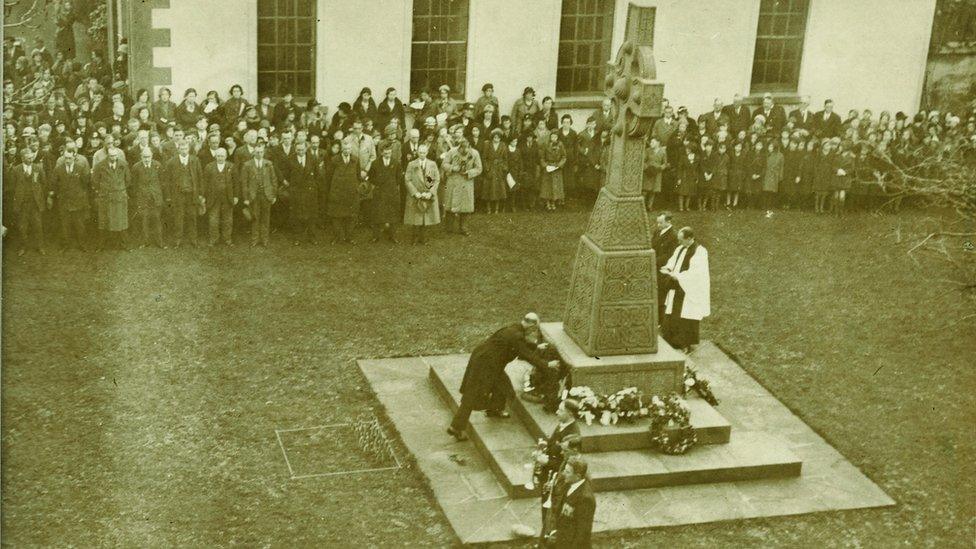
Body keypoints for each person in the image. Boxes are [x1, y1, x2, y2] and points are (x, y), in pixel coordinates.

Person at [447, 313, 558, 441]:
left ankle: (494, 409)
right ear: (532, 325)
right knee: (471, 396)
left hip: (486, 361)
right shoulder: (517, 335)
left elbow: (519, 345)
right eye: (535, 328)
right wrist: (548, 364)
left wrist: (536, 346)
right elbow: (526, 354)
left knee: (503, 386)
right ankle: (456, 427)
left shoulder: (513, 328)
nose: (534, 331)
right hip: (486, 365)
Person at [660, 227, 711, 353]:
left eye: (681, 240)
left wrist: (677, 276)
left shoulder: (700, 252)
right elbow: (673, 261)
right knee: (672, 314)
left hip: (688, 289)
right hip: (677, 286)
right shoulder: (680, 248)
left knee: (686, 316)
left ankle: (685, 344)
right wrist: (667, 268)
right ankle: (672, 341)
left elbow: (696, 272)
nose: (679, 242)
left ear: (689, 238)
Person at [548, 456, 596, 548]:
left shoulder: (585, 498)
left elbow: (582, 532)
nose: (563, 474)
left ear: (577, 476)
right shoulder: (569, 484)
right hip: (562, 539)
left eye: (567, 472)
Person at [163, 140, 203, 247]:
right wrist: (168, 196)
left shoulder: (195, 160)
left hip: (191, 194)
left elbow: (200, 178)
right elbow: (167, 180)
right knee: (178, 217)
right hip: (178, 195)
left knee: (192, 217)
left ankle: (193, 240)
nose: (184, 151)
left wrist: (200, 194)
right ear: (178, 149)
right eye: (182, 149)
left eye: (185, 148)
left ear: (188, 149)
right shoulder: (171, 162)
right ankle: (178, 240)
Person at [52, 142, 90, 250]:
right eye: (65, 158)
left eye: (69, 158)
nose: (67, 160)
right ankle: (65, 245)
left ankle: (82, 245)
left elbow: (85, 183)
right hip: (64, 201)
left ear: (74, 156)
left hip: (78, 201)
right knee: (65, 225)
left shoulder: (80, 168)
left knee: (80, 225)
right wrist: (60, 194)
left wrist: (78, 194)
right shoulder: (58, 169)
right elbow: (54, 183)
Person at [11, 148, 49, 255]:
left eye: (31, 157)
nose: (30, 159)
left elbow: (44, 183)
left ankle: (40, 247)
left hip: (35, 203)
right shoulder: (16, 170)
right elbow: (13, 187)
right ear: (22, 158)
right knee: (22, 226)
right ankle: (23, 247)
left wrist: (40, 198)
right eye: (28, 158)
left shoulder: (38, 168)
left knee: (38, 225)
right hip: (22, 204)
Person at [442, 137, 481, 235]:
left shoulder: (475, 154)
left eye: (467, 148)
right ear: (459, 147)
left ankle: (463, 227)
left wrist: (469, 172)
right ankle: (449, 228)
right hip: (453, 181)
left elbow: (479, 168)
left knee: (466, 206)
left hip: (466, 182)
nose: (465, 150)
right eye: (463, 148)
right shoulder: (452, 152)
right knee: (450, 205)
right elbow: (444, 164)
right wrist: (452, 168)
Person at [241, 141, 277, 247]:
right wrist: (246, 198)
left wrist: (273, 195)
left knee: (266, 218)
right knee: (255, 218)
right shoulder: (247, 165)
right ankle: (255, 239)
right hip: (254, 195)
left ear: (264, 152)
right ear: (254, 153)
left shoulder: (268, 163)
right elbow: (244, 182)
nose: (259, 154)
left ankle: (264, 240)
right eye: (257, 152)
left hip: (266, 195)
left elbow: (273, 180)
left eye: (261, 152)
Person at [93, 147, 130, 250]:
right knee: (104, 222)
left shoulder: (123, 164)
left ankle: (124, 245)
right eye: (111, 156)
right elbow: (95, 181)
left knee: (121, 222)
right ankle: (102, 245)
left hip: (119, 197)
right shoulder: (100, 166)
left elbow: (128, 180)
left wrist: (120, 189)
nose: (113, 158)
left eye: (115, 155)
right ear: (107, 156)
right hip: (106, 197)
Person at [403, 142, 440, 244]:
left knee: (426, 217)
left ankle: (424, 238)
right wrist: (415, 193)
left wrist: (430, 192)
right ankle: (415, 238)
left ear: (427, 153)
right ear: (417, 153)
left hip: (427, 194)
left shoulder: (432, 164)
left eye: (424, 152)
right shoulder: (411, 164)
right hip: (416, 194)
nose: (422, 154)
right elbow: (407, 180)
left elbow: (436, 180)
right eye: (420, 152)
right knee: (416, 218)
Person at [130, 147, 166, 248]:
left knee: (157, 220)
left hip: (155, 197)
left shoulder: (157, 165)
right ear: (141, 156)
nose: (146, 159)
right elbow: (134, 184)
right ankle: (145, 242)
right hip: (142, 198)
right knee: (144, 220)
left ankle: (160, 242)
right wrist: (138, 196)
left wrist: (159, 195)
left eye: (148, 156)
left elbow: (162, 182)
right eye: (144, 157)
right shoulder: (136, 167)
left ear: (152, 156)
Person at [325, 142, 360, 243]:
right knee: (336, 216)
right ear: (341, 149)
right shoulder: (334, 160)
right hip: (337, 192)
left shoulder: (355, 160)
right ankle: (338, 237)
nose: (346, 151)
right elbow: (329, 176)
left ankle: (349, 237)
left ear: (351, 149)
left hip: (351, 192)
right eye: (344, 149)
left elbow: (358, 176)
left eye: (348, 149)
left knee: (351, 216)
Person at [203, 147, 237, 246]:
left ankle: (227, 239)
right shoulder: (209, 167)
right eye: (218, 156)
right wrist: (205, 196)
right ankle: (213, 239)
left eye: (222, 156)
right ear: (215, 156)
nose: (220, 158)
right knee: (213, 220)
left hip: (227, 197)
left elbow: (236, 183)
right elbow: (205, 183)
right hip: (213, 198)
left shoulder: (231, 166)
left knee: (228, 220)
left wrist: (235, 196)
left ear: (226, 156)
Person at [367, 143, 401, 243]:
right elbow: (371, 177)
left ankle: (393, 236)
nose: (387, 155)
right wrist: (378, 185)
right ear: (381, 153)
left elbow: (399, 178)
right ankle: (375, 236)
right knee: (377, 215)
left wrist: (392, 186)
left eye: (389, 153)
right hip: (379, 192)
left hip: (391, 192)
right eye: (385, 153)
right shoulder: (375, 163)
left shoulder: (396, 163)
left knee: (392, 215)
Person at [286, 140, 319, 244]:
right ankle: (297, 237)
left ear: (306, 149)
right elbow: (287, 175)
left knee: (311, 215)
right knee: (296, 215)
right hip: (296, 191)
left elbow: (317, 174)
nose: (300, 152)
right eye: (298, 150)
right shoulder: (290, 159)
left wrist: (313, 187)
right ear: (295, 150)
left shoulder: (312, 159)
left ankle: (312, 237)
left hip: (309, 191)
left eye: (302, 149)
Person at [652, 212, 678, 325]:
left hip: (663, 268)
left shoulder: (673, 236)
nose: (658, 225)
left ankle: (660, 321)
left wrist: (654, 261)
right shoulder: (657, 231)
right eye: (657, 222)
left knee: (661, 294)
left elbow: (669, 254)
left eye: (661, 222)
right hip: (654, 265)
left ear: (668, 222)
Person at [481, 128, 509, 214]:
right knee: (488, 189)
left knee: (499, 189)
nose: (496, 139)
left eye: (498, 137)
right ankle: (488, 208)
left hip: (499, 169)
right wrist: (487, 168)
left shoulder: (503, 145)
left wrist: (504, 167)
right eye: (495, 137)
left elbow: (505, 159)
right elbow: (484, 158)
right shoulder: (487, 145)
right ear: (492, 137)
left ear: (500, 138)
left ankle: (497, 208)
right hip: (490, 168)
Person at [539, 132, 566, 211]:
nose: (553, 138)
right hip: (548, 167)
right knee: (547, 187)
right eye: (552, 136)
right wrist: (545, 166)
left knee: (555, 186)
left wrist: (559, 165)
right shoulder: (546, 145)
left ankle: (554, 202)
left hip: (556, 168)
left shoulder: (560, 145)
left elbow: (564, 156)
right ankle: (547, 203)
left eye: (555, 137)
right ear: (550, 137)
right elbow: (542, 157)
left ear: (557, 137)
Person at [643, 136, 666, 211]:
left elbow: (665, 163)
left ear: (658, 143)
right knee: (645, 190)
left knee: (653, 191)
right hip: (648, 172)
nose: (651, 143)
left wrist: (660, 168)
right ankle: (642, 206)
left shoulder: (663, 152)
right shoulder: (647, 150)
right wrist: (646, 168)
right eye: (651, 142)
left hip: (657, 173)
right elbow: (643, 161)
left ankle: (650, 206)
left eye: (653, 142)